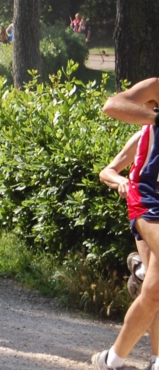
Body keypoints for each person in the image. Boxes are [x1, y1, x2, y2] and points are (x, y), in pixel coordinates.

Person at [93, 78, 159, 369]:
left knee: (155, 291)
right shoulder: (148, 123)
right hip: (149, 198)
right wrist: (119, 181)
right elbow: (112, 105)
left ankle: (113, 359)